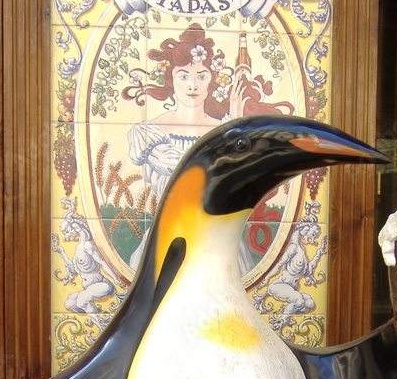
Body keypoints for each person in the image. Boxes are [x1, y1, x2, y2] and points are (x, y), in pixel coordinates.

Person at [122, 23, 293, 270]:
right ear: (171, 79)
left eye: (201, 76)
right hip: (172, 240)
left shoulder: (224, 129)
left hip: (219, 245)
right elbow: (192, 178)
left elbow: (235, 183)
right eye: (184, 76)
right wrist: (230, 136)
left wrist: (233, 127)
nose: (193, 85)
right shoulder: (149, 133)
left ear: (212, 80)